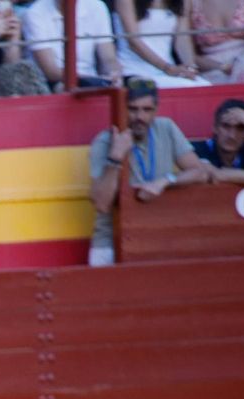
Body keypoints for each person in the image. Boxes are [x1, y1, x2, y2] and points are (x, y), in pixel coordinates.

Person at [87, 78, 212, 265]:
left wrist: (164, 181)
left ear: (156, 110)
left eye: (147, 110)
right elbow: (102, 204)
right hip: (112, 241)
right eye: (133, 109)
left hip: (157, 236)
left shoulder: (165, 127)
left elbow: (199, 172)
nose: (140, 117)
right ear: (122, 109)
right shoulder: (105, 141)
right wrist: (115, 157)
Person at [22, 0, 122, 89]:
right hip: (54, 83)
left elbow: (108, 57)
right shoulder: (35, 13)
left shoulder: (97, 6)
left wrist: (113, 74)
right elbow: (51, 71)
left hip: (93, 81)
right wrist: (93, 80)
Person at [116, 0, 210, 87]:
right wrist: (166, 68)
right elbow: (133, 42)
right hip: (134, 70)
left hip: (168, 70)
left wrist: (190, 67)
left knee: (204, 86)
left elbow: (182, 38)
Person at [188, 0, 244, 82]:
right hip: (211, 68)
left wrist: (238, 61)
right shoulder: (190, 3)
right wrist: (221, 67)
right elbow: (189, 55)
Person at [193, 97, 244, 182]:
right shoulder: (196, 149)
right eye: (226, 126)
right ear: (215, 127)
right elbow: (215, 175)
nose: (232, 135)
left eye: (240, 128)